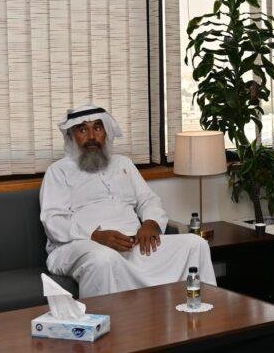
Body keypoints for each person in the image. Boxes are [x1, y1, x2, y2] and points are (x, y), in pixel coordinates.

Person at [40, 104, 216, 298]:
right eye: (83, 130)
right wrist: (95, 236)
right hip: (80, 246)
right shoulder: (58, 171)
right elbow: (53, 220)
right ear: (72, 136)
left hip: (133, 244)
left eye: (97, 128)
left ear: (106, 133)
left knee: (195, 243)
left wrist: (151, 223)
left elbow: (148, 199)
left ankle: (201, 309)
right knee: (103, 259)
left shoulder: (123, 163)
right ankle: (107, 317)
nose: (91, 136)